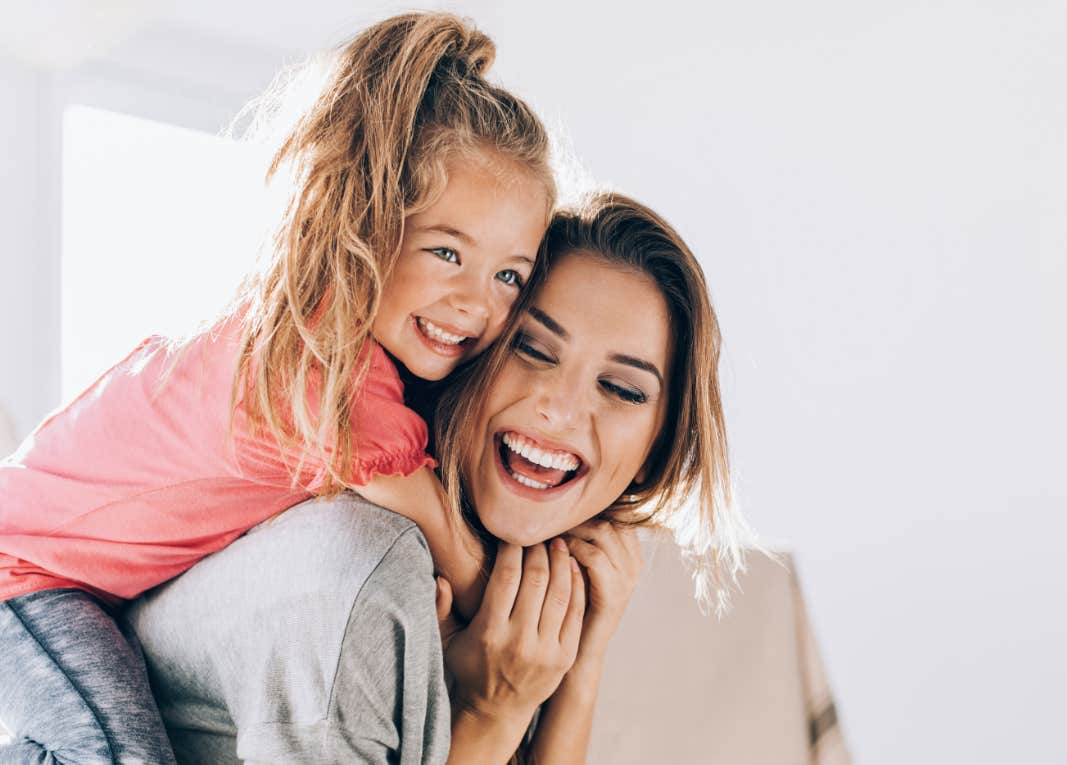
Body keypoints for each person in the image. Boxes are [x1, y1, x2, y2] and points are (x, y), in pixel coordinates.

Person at [0, 12, 553, 762]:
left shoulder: (315, 339)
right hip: (22, 577)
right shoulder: (323, 374)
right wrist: (507, 604)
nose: (478, 302)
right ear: (366, 222)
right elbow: (443, 535)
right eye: (447, 251)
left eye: (509, 275)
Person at [127, 193, 755, 763]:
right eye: (532, 349)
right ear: (466, 346)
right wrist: (491, 713)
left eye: (621, 389)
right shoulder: (367, 577)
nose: (561, 409)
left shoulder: (515, 582)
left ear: (657, 445)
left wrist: (579, 661)